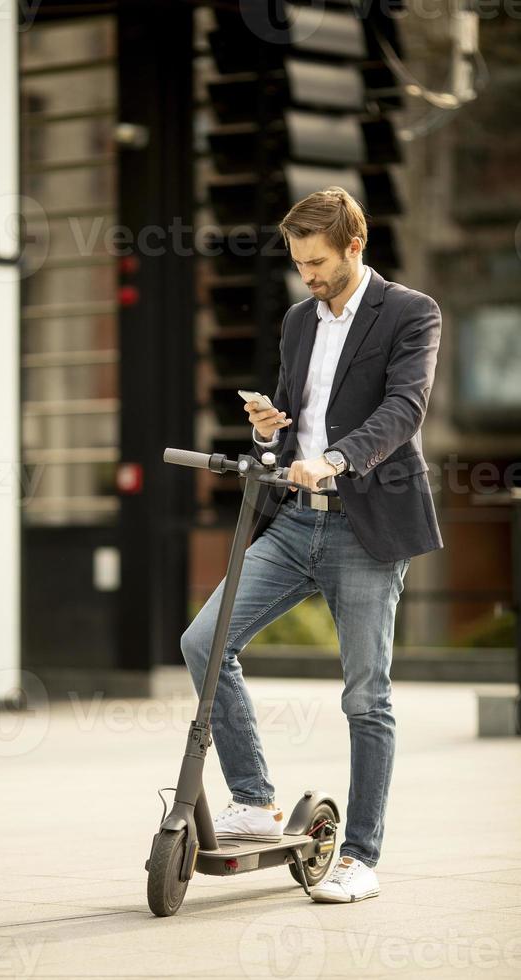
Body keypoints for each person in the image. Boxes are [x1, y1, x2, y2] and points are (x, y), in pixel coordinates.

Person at [180, 186, 442, 903]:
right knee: (204, 643)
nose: (309, 276)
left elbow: (403, 409)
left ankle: (360, 856)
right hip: (296, 520)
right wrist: (271, 429)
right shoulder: (299, 320)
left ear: (355, 245)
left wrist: (336, 458)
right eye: (299, 264)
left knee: (365, 696)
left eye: (319, 262)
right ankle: (254, 796)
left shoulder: (412, 312)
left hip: (366, 526)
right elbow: (295, 423)